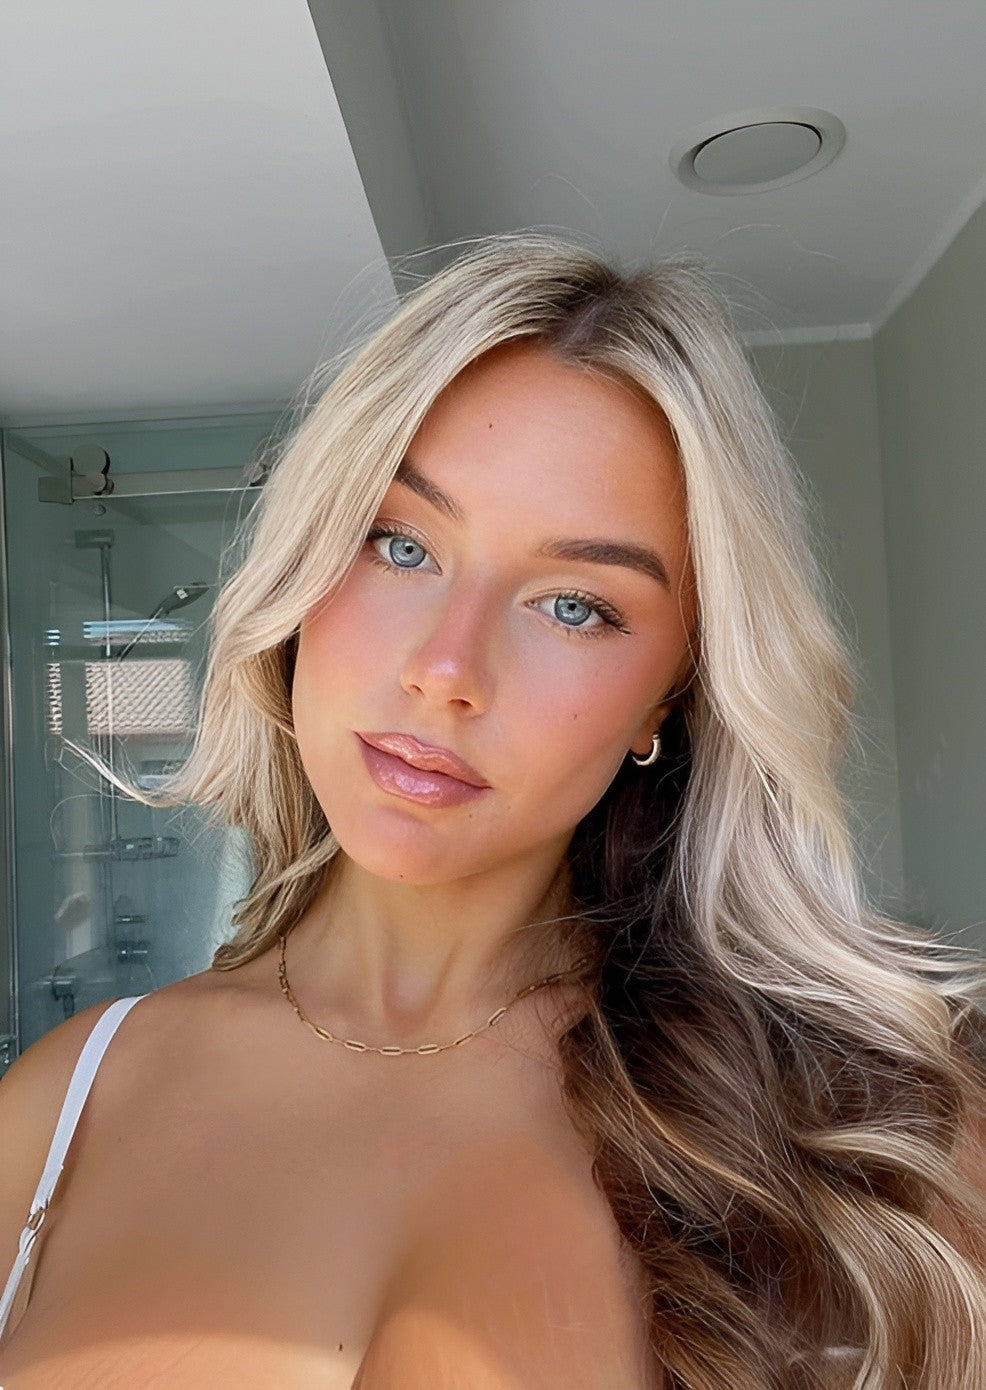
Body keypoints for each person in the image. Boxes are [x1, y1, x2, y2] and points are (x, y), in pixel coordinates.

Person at [1, 231, 984, 1389]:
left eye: (575, 605)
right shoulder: (68, 1097)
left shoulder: (882, 1138)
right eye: (399, 542)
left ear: (668, 689)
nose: (446, 669)